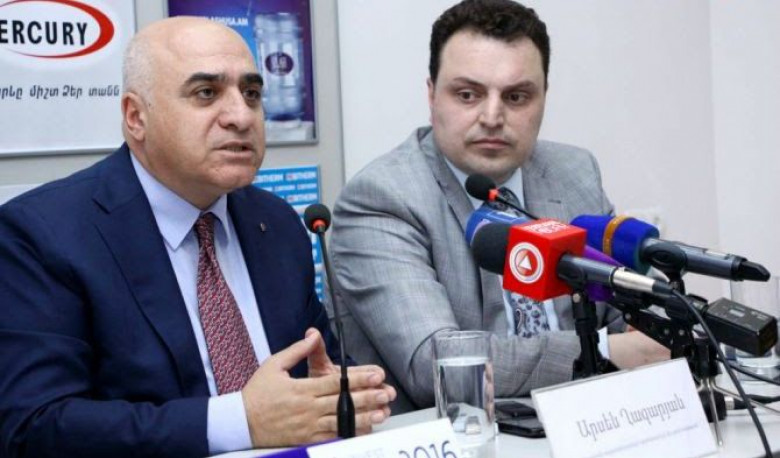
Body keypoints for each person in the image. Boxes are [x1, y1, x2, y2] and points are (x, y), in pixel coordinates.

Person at [0, 17, 395, 458]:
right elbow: (34, 428)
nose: (241, 117)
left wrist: (342, 393)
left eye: (252, 93)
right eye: (206, 93)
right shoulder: (44, 234)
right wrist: (240, 421)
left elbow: (322, 365)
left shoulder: (277, 223)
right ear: (136, 117)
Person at [328, 0, 669, 413]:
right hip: (461, 434)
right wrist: (601, 349)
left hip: (590, 421)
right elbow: (443, 367)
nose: (492, 116)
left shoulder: (574, 173)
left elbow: (630, 317)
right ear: (431, 95)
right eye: (467, 95)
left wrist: (645, 335)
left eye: (516, 96)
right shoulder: (381, 198)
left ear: (544, 98)